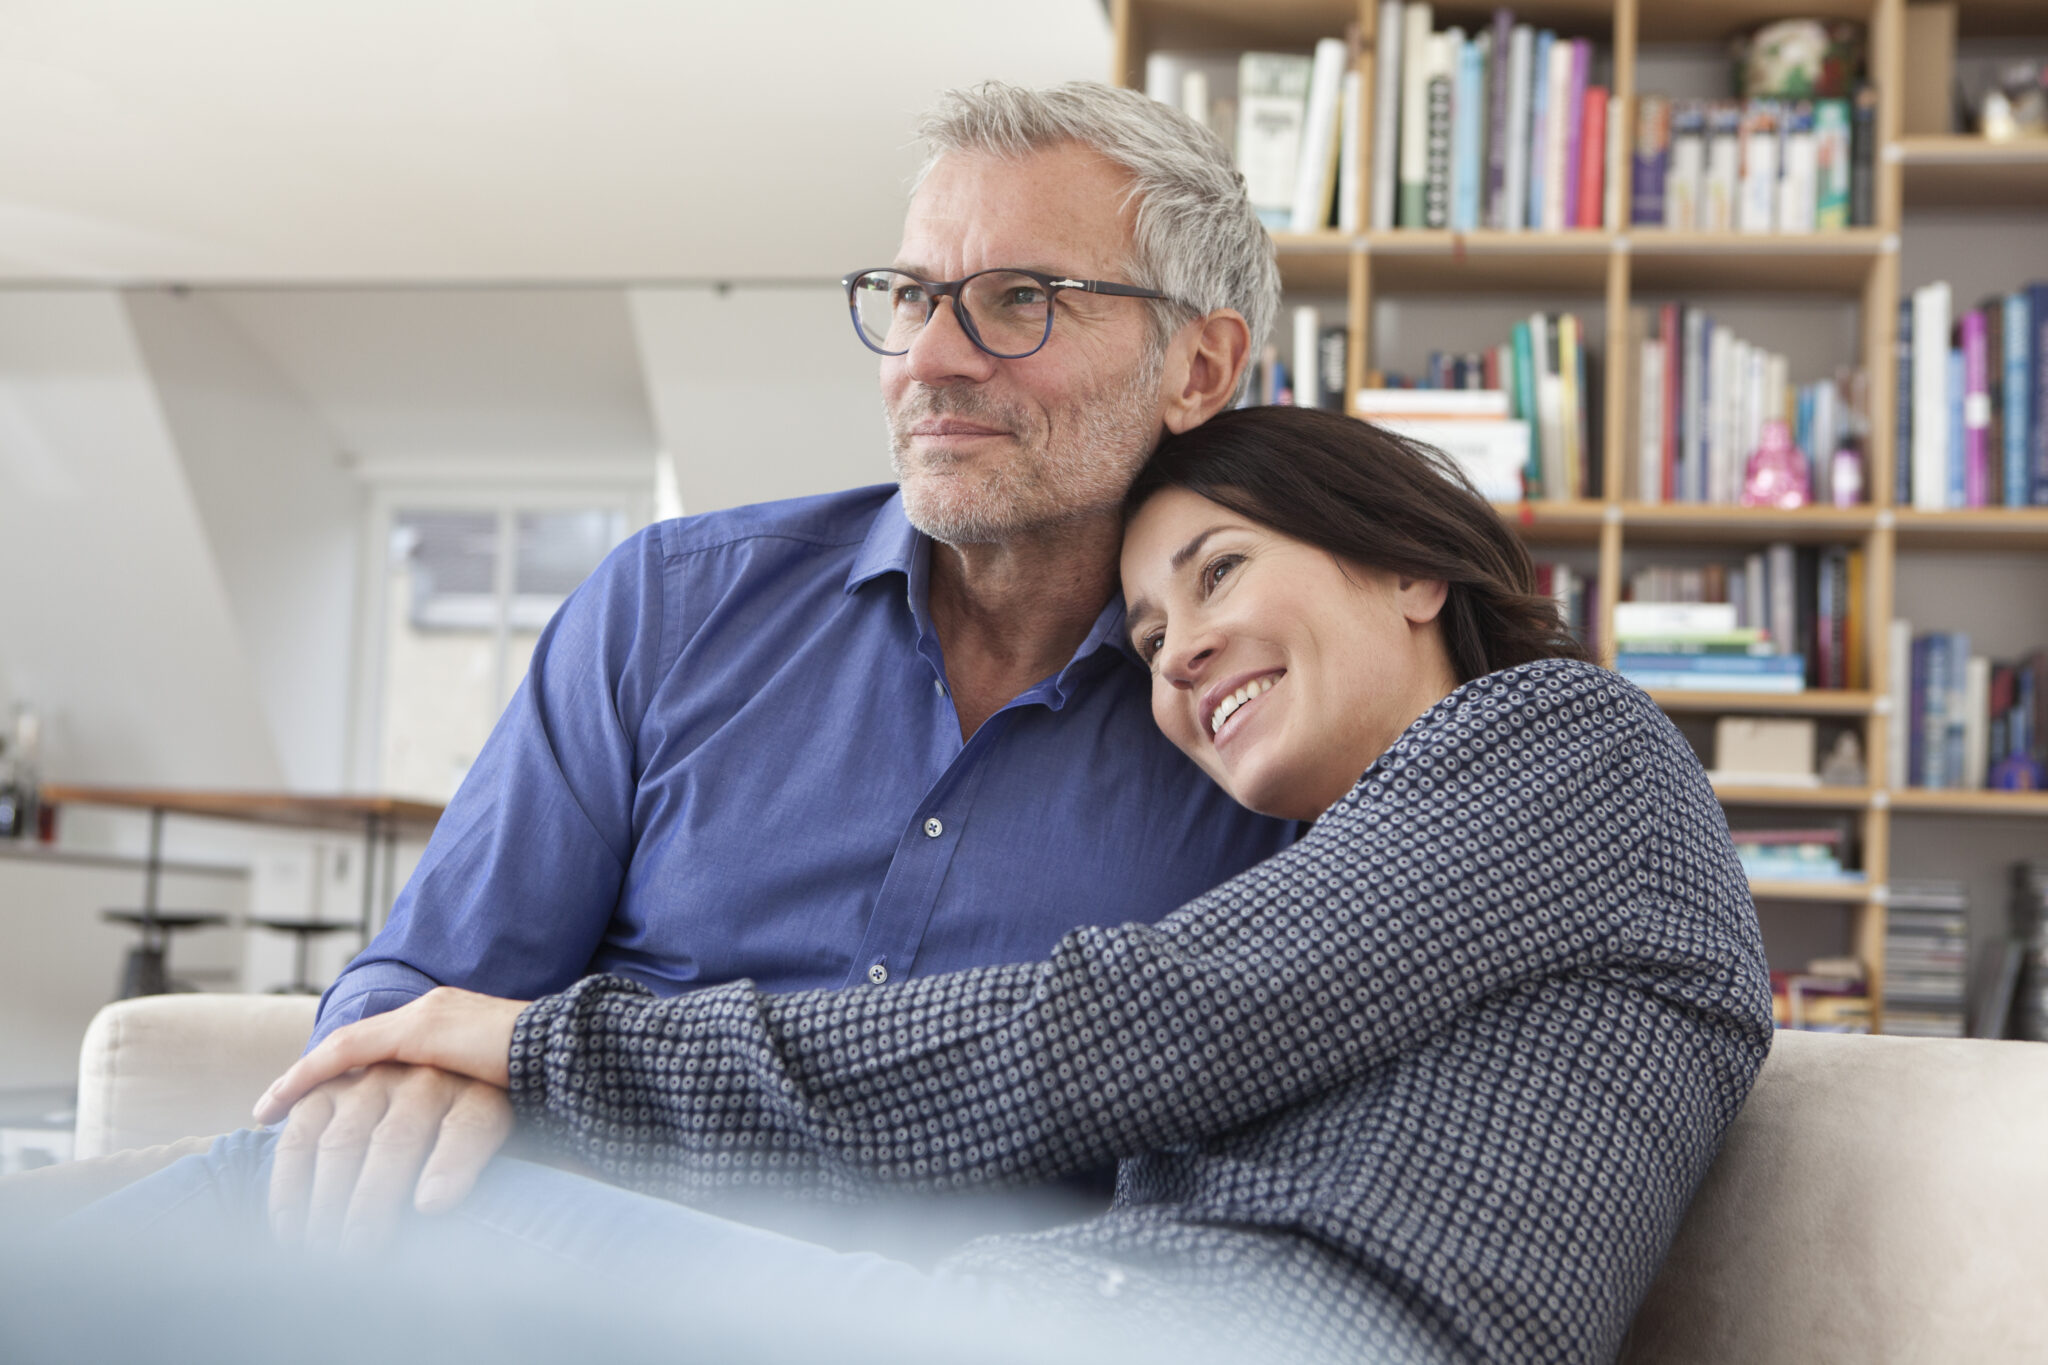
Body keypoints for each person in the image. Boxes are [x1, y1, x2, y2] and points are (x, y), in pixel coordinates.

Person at [232, 406, 1776, 1363]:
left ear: (1412, 567)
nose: (1181, 659)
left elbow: (1103, 1034)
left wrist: (534, 1048)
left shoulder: (1564, 743)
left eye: (1221, 573)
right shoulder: (1389, 845)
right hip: (1088, 1316)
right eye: (1153, 640)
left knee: (273, 1220)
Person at [251, 80, 1299, 1249]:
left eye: (1020, 300)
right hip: (555, 1276)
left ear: (1198, 369)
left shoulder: (1270, 728)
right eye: (910, 296)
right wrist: (407, 1076)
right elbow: (421, 985)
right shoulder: (667, 608)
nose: (931, 358)